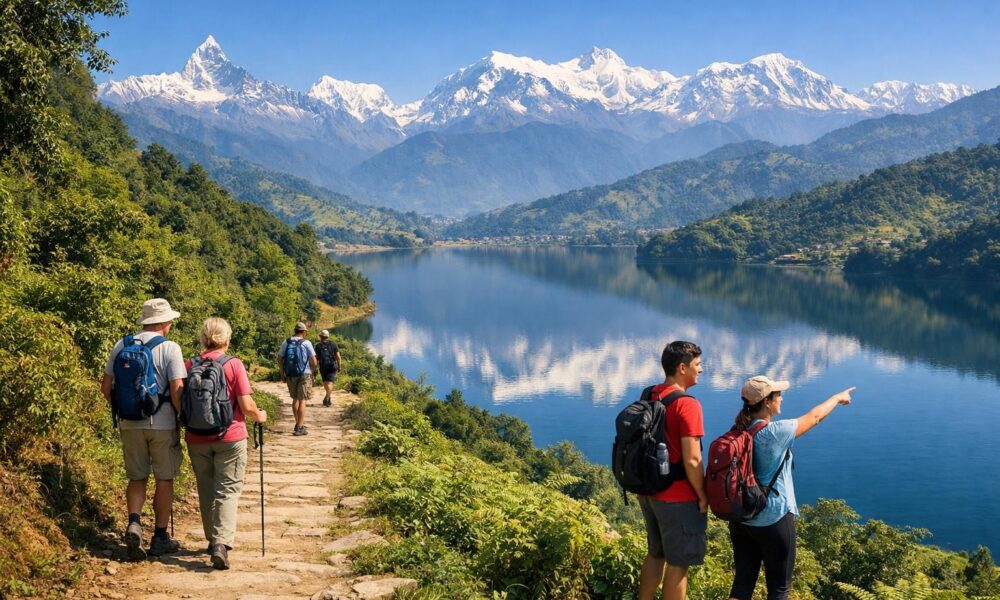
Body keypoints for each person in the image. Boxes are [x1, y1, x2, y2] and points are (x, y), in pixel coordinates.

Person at [727, 376, 855, 600]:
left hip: (741, 518)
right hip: (773, 519)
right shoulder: (775, 432)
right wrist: (837, 397)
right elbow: (814, 417)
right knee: (779, 589)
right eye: (777, 395)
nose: (781, 398)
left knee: (741, 586)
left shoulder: (738, 430)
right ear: (767, 402)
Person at [100, 298, 186, 560]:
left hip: (129, 423)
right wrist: (180, 417)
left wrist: (128, 410)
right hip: (162, 424)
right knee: (164, 478)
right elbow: (177, 390)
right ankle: (160, 536)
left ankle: (134, 522)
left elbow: (105, 389)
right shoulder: (171, 348)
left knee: (136, 477)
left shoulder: (121, 345)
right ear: (164, 323)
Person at [185, 317, 268, 570]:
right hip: (230, 437)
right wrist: (259, 415)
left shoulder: (190, 364)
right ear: (226, 339)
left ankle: (212, 540)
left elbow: (179, 399)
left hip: (196, 437)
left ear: (204, 337)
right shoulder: (234, 365)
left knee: (206, 489)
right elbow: (246, 405)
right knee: (227, 490)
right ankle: (222, 544)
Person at [638, 341, 708, 600]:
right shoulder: (687, 404)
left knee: (656, 553)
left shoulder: (650, 394)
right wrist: (702, 494)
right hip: (677, 498)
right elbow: (692, 459)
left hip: (648, 492)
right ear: (682, 368)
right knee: (678, 563)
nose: (701, 370)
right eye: (698, 365)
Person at [277, 322, 317, 436]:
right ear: (304, 332)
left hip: (290, 373)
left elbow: (280, 358)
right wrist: (314, 371)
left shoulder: (286, 342)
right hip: (305, 374)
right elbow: (313, 361)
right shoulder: (306, 343)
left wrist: (282, 372)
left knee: (295, 399)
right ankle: (300, 427)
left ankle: (297, 423)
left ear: (295, 330)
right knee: (302, 400)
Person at [315, 329, 341, 407]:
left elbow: (316, 358)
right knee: (330, 383)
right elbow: (338, 357)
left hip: (323, 366)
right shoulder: (333, 344)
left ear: (321, 337)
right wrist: (339, 366)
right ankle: (327, 397)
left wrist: (315, 368)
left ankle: (327, 397)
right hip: (332, 366)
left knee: (326, 383)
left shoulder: (318, 346)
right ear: (328, 336)